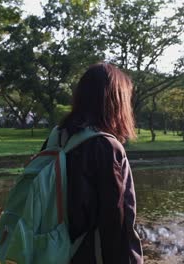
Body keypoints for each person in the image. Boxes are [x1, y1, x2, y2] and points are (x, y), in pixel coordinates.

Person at [42, 63, 143, 263]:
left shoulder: (57, 136)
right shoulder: (106, 146)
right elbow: (117, 221)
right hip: (90, 254)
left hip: (51, 248)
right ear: (116, 101)